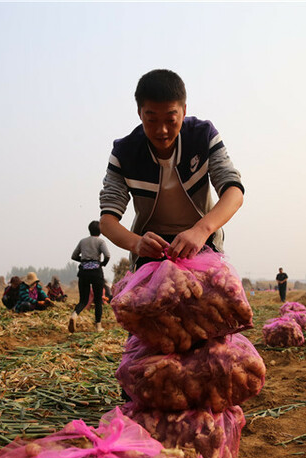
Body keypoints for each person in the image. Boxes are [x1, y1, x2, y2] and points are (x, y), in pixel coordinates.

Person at [98, 69, 244, 271]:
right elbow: (107, 221)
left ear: (184, 111)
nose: (162, 130)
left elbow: (234, 192)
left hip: (202, 241)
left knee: (219, 299)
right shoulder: (124, 153)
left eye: (170, 119)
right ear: (139, 113)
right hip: (152, 249)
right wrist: (137, 243)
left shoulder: (203, 136)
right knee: (148, 300)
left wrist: (201, 230)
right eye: (152, 120)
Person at [68, 220, 111, 333]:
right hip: (96, 272)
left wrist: (83, 260)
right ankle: (98, 326)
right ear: (100, 231)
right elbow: (107, 255)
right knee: (97, 300)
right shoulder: (100, 242)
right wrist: (102, 263)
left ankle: (74, 315)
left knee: (83, 300)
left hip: (84, 272)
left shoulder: (83, 242)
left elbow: (74, 256)